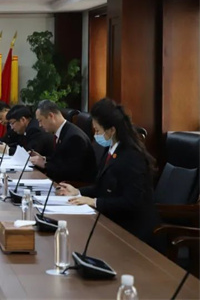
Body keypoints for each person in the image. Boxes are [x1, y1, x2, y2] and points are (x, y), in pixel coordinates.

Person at [56, 98, 161, 247]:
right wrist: (77, 192)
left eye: (98, 131)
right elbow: (103, 187)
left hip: (133, 231)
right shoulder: (112, 150)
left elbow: (132, 202)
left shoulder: (131, 157)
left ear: (112, 130)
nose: (95, 135)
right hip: (113, 221)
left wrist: (94, 202)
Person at [30, 100, 97, 183]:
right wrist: (43, 158)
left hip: (74, 186)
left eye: (40, 120)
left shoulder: (74, 138)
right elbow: (61, 160)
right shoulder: (64, 131)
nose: (40, 125)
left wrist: (45, 164)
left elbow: (70, 171)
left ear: (51, 116)